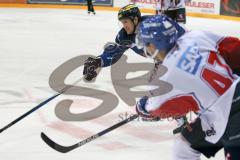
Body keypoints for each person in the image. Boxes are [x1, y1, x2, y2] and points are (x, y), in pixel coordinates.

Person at [135, 15, 240, 159]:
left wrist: (142, 106)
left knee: (183, 148)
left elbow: (156, 109)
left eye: (147, 44)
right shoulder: (195, 37)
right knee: (185, 145)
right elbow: (234, 48)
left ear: (156, 44)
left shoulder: (166, 77)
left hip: (224, 115)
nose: (146, 48)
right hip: (235, 90)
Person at [82, 4, 185, 81]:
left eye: (126, 21)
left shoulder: (155, 25)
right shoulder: (124, 36)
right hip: (163, 61)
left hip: (181, 58)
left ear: (135, 19)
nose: (124, 26)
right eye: (122, 22)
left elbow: (183, 36)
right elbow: (113, 54)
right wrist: (97, 62)